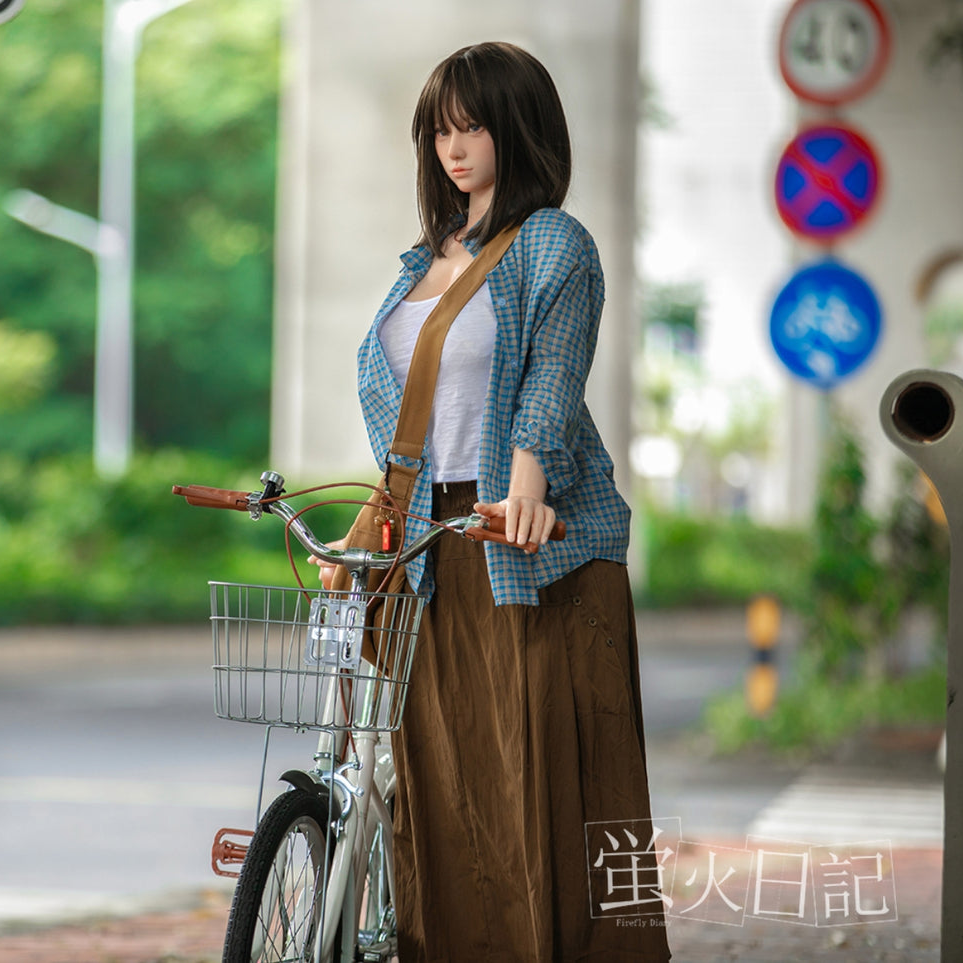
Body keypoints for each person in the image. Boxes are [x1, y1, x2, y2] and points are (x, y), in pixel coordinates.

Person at [310, 42, 672, 961]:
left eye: (472, 125)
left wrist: (525, 497)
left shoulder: (553, 243)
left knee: (541, 793)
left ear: (519, 128)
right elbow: (410, 435)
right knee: (439, 793)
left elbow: (547, 387)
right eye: (439, 128)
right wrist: (359, 540)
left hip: (529, 546)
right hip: (430, 550)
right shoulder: (419, 265)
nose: (453, 147)